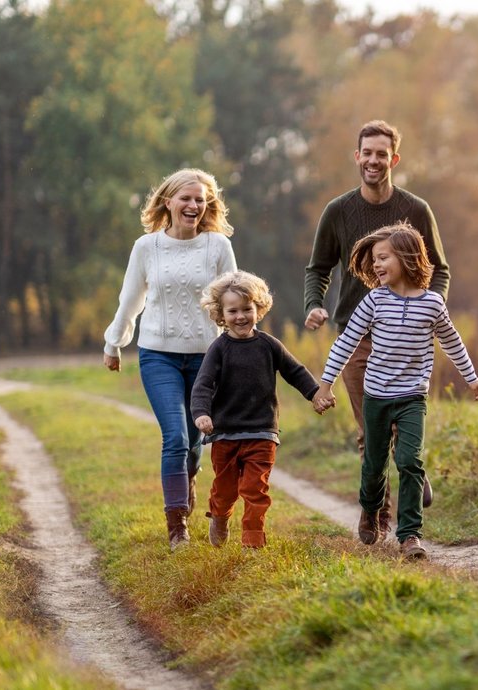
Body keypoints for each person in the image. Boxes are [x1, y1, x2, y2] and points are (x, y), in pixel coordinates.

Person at [304, 119, 448, 541]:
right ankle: (375, 517)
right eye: (366, 153)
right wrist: (314, 304)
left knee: (405, 426)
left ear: (394, 159)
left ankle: (411, 475)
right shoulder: (338, 211)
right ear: (357, 157)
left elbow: (439, 270)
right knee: (371, 432)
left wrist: (427, 309)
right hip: (356, 333)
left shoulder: (416, 209)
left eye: (381, 154)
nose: (373, 160)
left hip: (407, 335)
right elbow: (318, 268)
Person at [314, 222, 478, 560]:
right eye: (374, 260)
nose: (376, 265)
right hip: (376, 396)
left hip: (412, 397)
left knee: (410, 461)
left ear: (406, 258)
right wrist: (325, 383)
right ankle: (371, 510)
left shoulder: (433, 304)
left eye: (382, 258)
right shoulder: (374, 302)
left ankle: (410, 536)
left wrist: (472, 377)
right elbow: (346, 342)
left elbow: (452, 342)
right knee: (374, 465)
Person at [104, 168, 237, 551]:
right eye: (186, 198)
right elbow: (131, 299)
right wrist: (115, 343)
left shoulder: (216, 247)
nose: (194, 205)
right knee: (175, 437)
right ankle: (177, 525)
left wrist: (240, 347)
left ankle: (188, 478)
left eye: (201, 199)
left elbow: (233, 297)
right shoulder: (147, 247)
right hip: (157, 355)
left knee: (195, 443)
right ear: (168, 201)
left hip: (206, 359)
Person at [190, 271, 328, 549]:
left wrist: (315, 394)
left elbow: (295, 371)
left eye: (247, 309)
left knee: (255, 489)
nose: (240, 316)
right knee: (226, 489)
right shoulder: (219, 349)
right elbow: (202, 385)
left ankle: (252, 541)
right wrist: (201, 413)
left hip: (263, 431)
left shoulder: (269, 345)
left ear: (259, 308)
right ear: (221, 314)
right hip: (225, 433)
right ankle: (219, 515)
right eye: (233, 311)